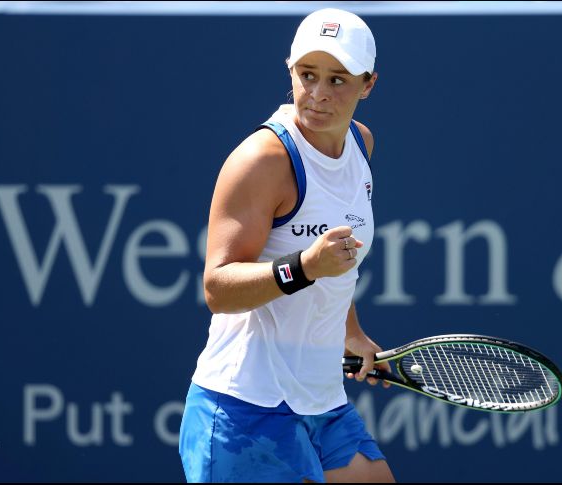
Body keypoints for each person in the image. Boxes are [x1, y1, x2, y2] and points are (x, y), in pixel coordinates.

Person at [179, 8, 395, 483]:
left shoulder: (361, 145)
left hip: (320, 401)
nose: (317, 95)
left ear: (368, 84)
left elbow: (339, 262)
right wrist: (302, 267)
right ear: (290, 70)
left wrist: (350, 331)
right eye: (307, 75)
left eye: (338, 80)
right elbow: (218, 287)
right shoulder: (263, 160)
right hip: (243, 409)